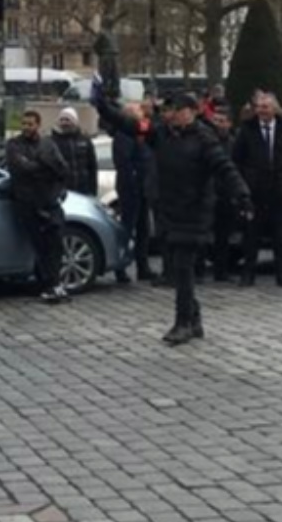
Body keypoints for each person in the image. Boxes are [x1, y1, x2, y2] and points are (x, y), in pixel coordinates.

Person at [96, 87, 248, 346]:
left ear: (191, 112)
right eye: (169, 110)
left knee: (183, 267)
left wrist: (242, 194)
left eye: (177, 110)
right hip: (170, 209)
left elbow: (224, 167)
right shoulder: (160, 134)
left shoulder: (204, 138)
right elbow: (132, 125)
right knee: (180, 269)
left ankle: (183, 323)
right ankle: (194, 318)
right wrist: (104, 107)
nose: (172, 115)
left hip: (194, 211)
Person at [5, 110, 74, 305]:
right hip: (28, 202)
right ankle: (48, 285)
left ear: (38, 125)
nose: (26, 127)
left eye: (30, 124)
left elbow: (62, 169)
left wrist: (42, 166)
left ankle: (55, 284)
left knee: (56, 243)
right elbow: (22, 169)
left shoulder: (48, 143)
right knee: (41, 245)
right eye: (24, 124)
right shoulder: (14, 145)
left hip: (50, 200)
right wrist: (46, 166)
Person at [229, 93, 282, 288]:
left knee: (280, 234)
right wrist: (241, 187)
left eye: (265, 107)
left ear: (274, 109)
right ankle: (248, 274)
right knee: (252, 234)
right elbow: (237, 160)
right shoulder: (247, 130)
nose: (261, 110)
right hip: (254, 189)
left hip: (279, 188)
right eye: (259, 107)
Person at [107, 100, 156, 285]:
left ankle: (143, 267)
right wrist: (134, 181)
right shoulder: (124, 135)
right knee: (127, 228)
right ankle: (120, 268)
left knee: (143, 228)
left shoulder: (142, 134)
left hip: (143, 187)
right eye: (138, 111)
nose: (142, 113)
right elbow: (124, 163)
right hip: (131, 188)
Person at [202, 107, 239, 282]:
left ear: (229, 123)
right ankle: (198, 269)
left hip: (226, 195)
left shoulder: (233, 144)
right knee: (202, 234)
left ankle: (221, 270)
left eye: (222, 121)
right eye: (216, 120)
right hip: (208, 192)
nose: (218, 124)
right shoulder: (205, 140)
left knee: (223, 235)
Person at [51, 108, 98, 198]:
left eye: (68, 120)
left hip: (83, 190)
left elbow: (92, 166)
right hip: (62, 190)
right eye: (62, 120)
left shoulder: (85, 140)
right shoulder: (53, 141)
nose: (64, 123)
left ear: (75, 122)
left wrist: (92, 190)